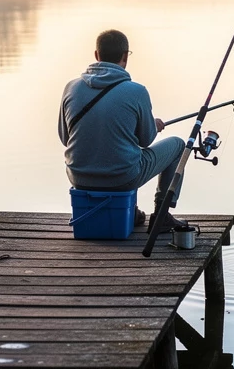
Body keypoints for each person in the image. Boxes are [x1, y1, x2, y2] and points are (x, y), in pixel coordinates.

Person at [59, 29, 188, 232]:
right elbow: (146, 140)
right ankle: (161, 215)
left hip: (78, 178)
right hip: (123, 179)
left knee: (121, 149)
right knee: (178, 146)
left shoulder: (71, 88)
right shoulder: (136, 91)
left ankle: (132, 210)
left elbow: (65, 138)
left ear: (96, 55)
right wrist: (153, 126)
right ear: (125, 56)